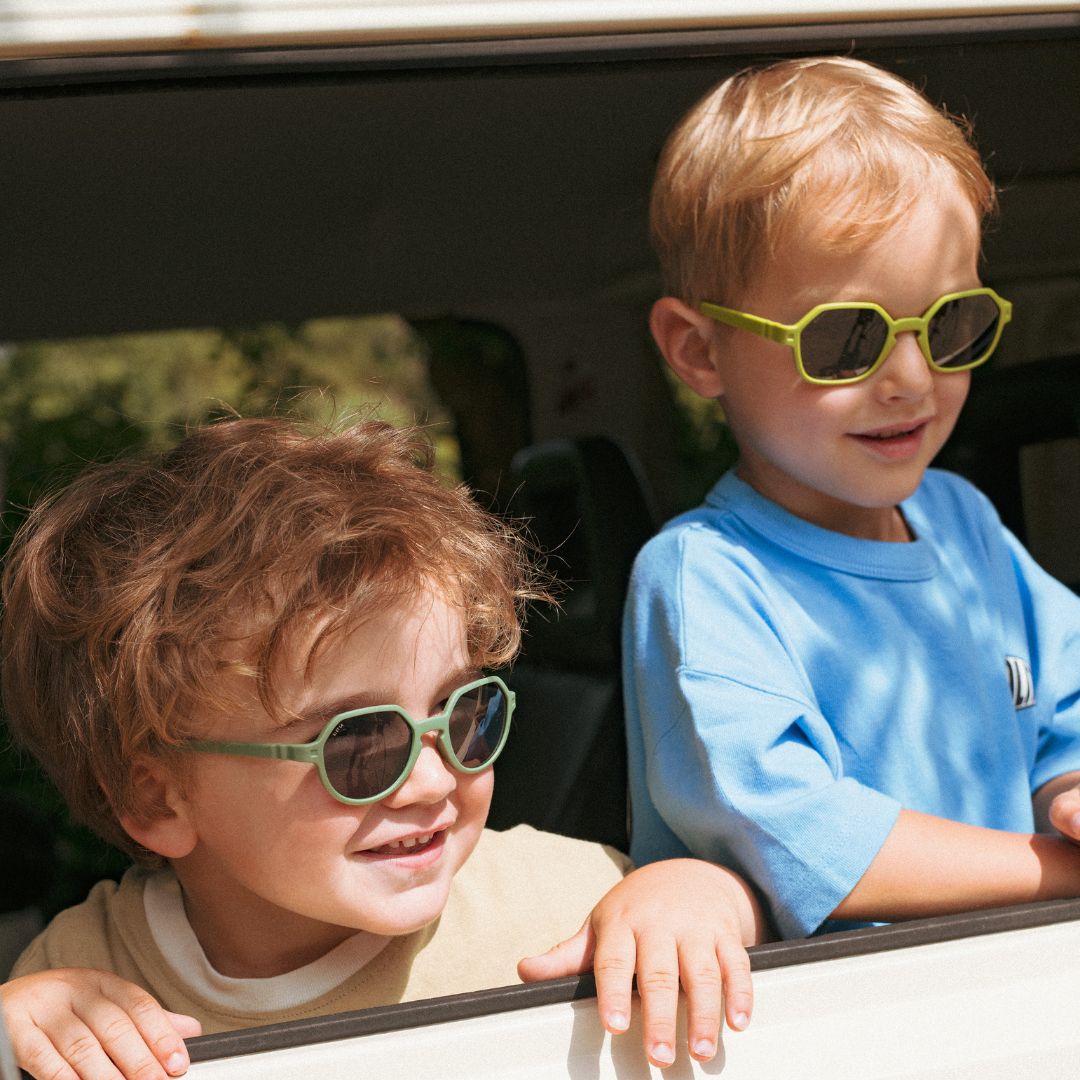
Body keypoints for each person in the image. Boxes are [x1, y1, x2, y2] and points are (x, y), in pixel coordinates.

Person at [0, 417, 764, 1080]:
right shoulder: (85, 979)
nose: (433, 781)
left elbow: (726, 947)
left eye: (464, 715)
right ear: (156, 799)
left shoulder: (570, 903)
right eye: (359, 744)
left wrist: (705, 892)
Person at [625, 54, 1080, 942]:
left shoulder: (964, 521)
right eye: (846, 340)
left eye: (951, 325)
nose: (911, 378)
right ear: (699, 352)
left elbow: (1064, 709)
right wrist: (1062, 873)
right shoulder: (706, 578)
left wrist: (1068, 792)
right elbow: (803, 837)